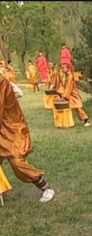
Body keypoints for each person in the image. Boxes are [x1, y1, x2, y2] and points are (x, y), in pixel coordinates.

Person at [0, 74, 55, 203]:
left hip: (13, 129)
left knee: (17, 162)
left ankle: (46, 188)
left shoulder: (1, 82)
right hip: (2, 128)